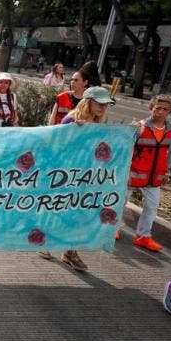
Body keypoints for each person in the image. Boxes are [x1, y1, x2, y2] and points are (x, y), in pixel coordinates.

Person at [51, 86, 116, 271]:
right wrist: (73, 130)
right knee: (61, 210)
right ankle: (47, 243)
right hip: (67, 175)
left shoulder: (100, 123)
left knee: (78, 213)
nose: (103, 108)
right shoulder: (71, 119)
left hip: (88, 176)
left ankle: (70, 251)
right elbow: (57, 144)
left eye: (106, 104)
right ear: (88, 102)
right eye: (99, 103)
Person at [125, 94, 171, 252]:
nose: (160, 111)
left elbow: (170, 151)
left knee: (152, 207)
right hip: (134, 173)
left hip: (154, 177)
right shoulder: (139, 126)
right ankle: (111, 231)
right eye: (157, 108)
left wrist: (166, 171)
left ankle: (143, 236)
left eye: (165, 109)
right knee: (120, 202)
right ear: (151, 109)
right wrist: (126, 171)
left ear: (170, 112)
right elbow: (127, 150)